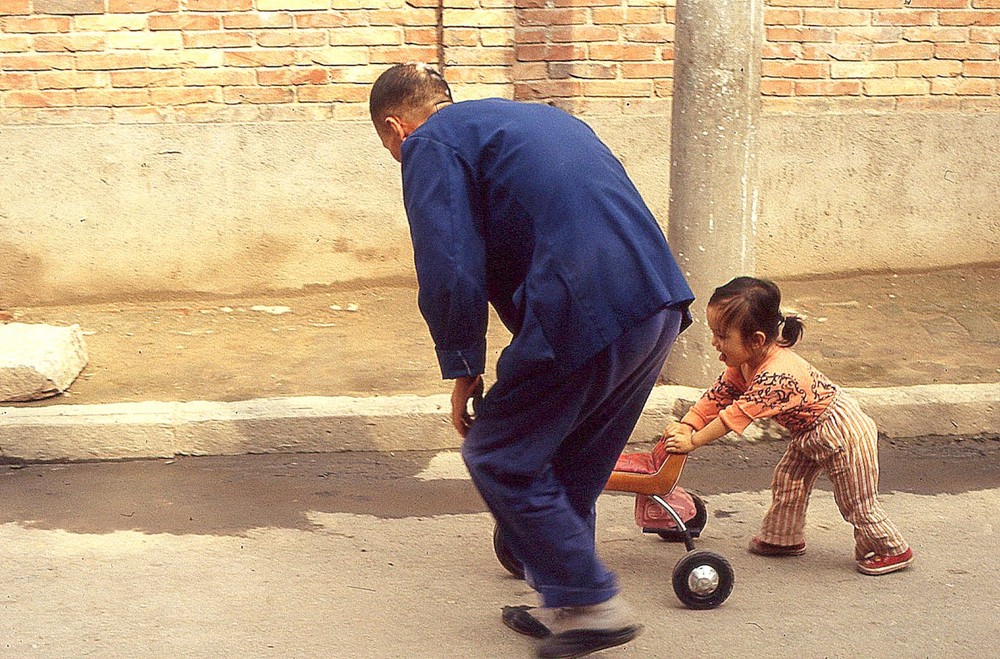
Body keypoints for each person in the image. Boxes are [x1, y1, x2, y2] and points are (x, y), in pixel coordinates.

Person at [369, 63, 694, 657]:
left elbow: (449, 264)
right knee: (572, 457)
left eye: (390, 147)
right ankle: (569, 603)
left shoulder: (429, 144)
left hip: (585, 303)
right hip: (656, 302)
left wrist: (464, 365)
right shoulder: (535, 120)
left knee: (498, 453)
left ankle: (591, 604)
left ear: (395, 129)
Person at [662, 276, 914, 576]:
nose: (715, 342)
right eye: (714, 333)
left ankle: (891, 548)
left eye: (722, 335)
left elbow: (733, 416)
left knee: (856, 501)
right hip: (809, 433)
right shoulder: (742, 363)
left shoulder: (776, 376)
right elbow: (717, 397)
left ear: (755, 340)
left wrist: (693, 441)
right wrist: (688, 424)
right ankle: (783, 538)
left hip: (841, 432)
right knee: (788, 480)